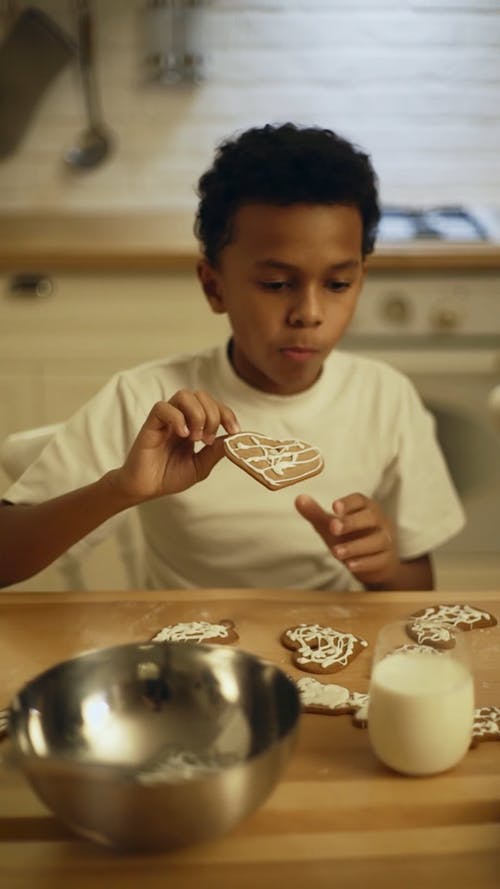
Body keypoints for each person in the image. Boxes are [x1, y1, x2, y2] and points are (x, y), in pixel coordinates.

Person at [0, 123, 464, 592]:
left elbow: (418, 587)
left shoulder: (387, 397)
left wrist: (382, 567)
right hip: (187, 649)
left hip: (332, 649)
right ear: (214, 285)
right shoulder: (148, 401)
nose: (309, 313)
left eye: (338, 284)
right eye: (277, 285)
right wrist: (119, 487)